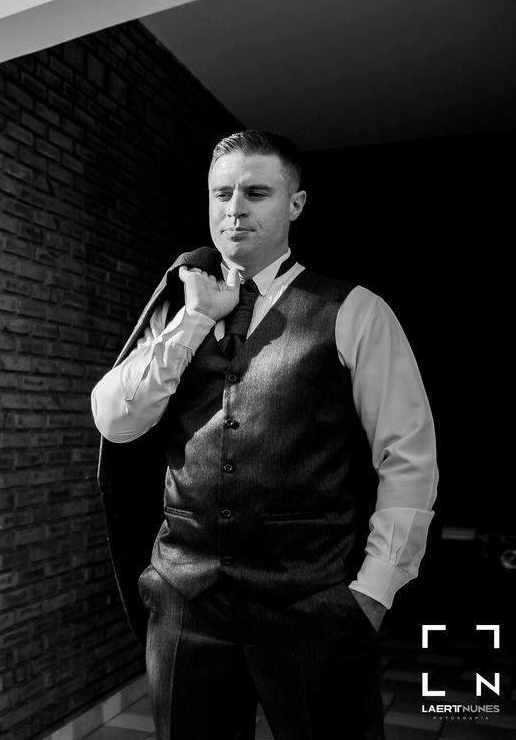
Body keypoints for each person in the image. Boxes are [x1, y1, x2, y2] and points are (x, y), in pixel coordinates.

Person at [91, 130, 437, 739]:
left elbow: (407, 456)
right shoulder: (177, 309)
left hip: (311, 604)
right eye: (222, 194)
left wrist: (375, 591)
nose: (235, 209)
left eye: (255, 193)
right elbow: (116, 422)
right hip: (185, 601)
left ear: (295, 204)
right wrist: (196, 317)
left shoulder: (355, 310)